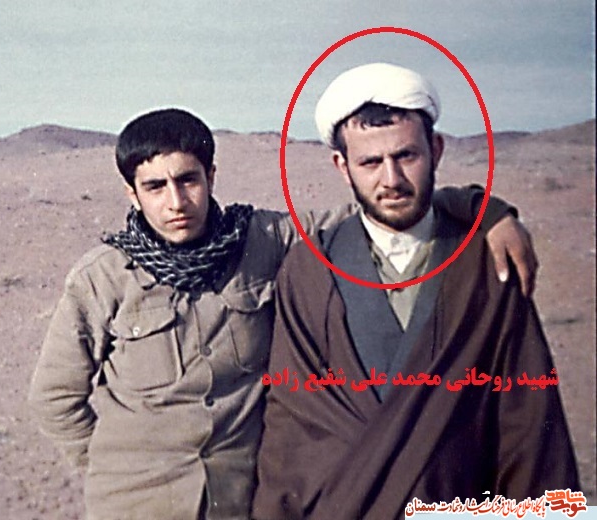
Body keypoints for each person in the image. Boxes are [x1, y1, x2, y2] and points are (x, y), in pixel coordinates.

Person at [29, 107, 537, 520]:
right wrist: (113, 467)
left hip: (238, 500)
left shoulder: (263, 239)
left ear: (211, 176)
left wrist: (482, 209)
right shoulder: (102, 278)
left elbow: (375, 208)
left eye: (188, 180)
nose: (176, 201)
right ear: (133, 193)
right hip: (132, 506)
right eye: (155, 187)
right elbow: (55, 398)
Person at [252, 63, 579, 520]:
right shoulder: (309, 271)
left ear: (436, 150)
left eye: (406, 156)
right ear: (342, 167)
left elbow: (528, 425)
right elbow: (289, 431)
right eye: (370, 162)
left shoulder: (487, 263)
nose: (391, 179)